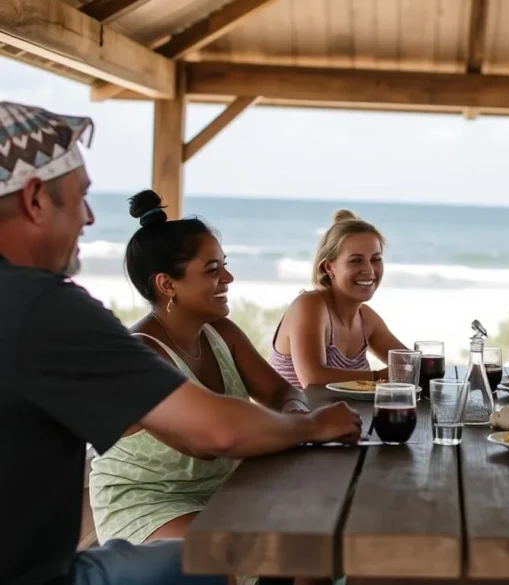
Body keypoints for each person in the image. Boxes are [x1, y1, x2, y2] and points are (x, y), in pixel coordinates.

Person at [0, 101, 362, 585]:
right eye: (81, 196)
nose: (89, 218)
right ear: (34, 200)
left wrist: (294, 416)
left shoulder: (33, 310)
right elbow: (214, 434)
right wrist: (312, 424)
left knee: (294, 551)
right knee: (239, 557)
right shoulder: (44, 308)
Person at [89, 189, 315, 550]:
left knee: (313, 537)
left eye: (224, 264)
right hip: (149, 505)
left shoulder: (221, 332)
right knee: (267, 550)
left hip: (226, 490)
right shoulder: (141, 353)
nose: (229, 277)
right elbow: (207, 442)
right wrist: (310, 427)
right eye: (213, 270)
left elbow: (278, 391)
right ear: (167, 284)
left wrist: (295, 412)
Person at [270, 210, 405, 388]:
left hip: (346, 415)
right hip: (295, 416)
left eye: (376, 259)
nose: (370, 271)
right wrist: (378, 377)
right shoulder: (310, 305)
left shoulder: (366, 318)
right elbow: (312, 379)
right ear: (329, 267)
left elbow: (410, 364)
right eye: (356, 261)